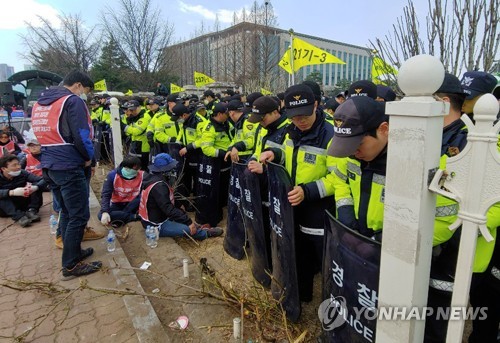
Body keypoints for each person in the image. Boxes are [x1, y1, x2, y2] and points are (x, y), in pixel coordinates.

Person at [259, 84, 336, 302]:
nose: (299, 121)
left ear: (316, 105)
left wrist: (308, 190)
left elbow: (338, 178)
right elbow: (288, 155)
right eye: (294, 117)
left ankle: (329, 306)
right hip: (293, 202)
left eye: (304, 115)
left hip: (319, 208)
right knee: (298, 252)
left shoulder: (331, 136)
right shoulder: (291, 132)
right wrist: (274, 153)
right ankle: (301, 296)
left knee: (323, 259)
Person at [31, 70, 102, 280]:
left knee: (66, 212)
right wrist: (90, 157)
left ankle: (73, 251)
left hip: (50, 163)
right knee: (78, 214)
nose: (85, 95)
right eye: (86, 91)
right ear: (78, 85)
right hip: (69, 165)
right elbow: (81, 136)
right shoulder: (72, 101)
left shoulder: (40, 103)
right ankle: (71, 265)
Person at [139, 153, 222, 239]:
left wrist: (178, 205)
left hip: (157, 215)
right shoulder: (159, 186)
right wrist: (188, 222)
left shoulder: (154, 178)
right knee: (188, 229)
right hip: (155, 225)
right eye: (170, 168)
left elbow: (164, 199)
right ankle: (205, 233)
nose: (172, 170)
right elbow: (168, 209)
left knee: (181, 215)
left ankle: (197, 226)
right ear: (164, 171)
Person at [196, 102, 233, 227]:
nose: (228, 115)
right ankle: (214, 218)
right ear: (220, 114)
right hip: (216, 162)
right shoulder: (210, 127)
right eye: (226, 114)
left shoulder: (225, 123)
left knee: (223, 188)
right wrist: (222, 153)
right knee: (214, 191)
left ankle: (222, 210)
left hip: (227, 161)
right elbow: (206, 148)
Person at [0, 155, 45, 227]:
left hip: (23, 202)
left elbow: (42, 180)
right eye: (14, 165)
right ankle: (19, 217)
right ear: (4, 168)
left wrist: (35, 187)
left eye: (18, 164)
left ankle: (31, 211)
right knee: (2, 197)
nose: (18, 167)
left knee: (36, 186)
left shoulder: (23, 173)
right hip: (6, 208)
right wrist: (11, 192)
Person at [98, 156, 143, 227]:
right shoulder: (112, 175)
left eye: (136, 169)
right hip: (117, 204)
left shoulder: (142, 175)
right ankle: (134, 217)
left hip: (134, 205)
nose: (135, 171)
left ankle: (122, 218)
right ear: (125, 167)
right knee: (100, 216)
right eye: (129, 169)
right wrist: (105, 212)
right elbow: (106, 194)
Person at [122, 100, 151, 169]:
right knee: (134, 167)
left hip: (143, 147)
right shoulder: (135, 117)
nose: (132, 112)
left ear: (139, 107)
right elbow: (130, 131)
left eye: (134, 110)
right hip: (136, 144)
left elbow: (136, 131)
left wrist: (123, 126)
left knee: (142, 168)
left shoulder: (144, 116)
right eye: (131, 110)